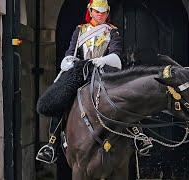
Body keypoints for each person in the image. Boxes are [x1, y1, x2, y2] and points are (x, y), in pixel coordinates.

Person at [36, 0, 123, 164]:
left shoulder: (113, 32)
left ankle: (138, 135)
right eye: (98, 12)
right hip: (81, 71)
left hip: (103, 71)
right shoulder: (80, 30)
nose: (101, 15)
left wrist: (104, 60)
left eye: (104, 12)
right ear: (90, 11)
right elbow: (71, 51)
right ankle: (52, 144)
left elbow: (116, 54)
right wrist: (68, 60)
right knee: (62, 96)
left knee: (125, 95)